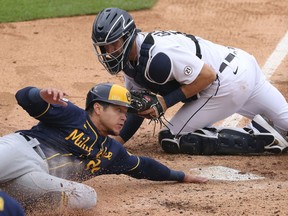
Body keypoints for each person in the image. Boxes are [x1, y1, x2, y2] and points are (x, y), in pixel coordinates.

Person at [91, 7, 288, 155]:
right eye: (104, 48)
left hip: (225, 84)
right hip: (241, 65)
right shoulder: (133, 61)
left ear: (127, 37)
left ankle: (260, 138)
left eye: (113, 45)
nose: (109, 52)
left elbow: (207, 76)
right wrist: (115, 143)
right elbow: (137, 107)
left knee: (172, 137)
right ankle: (268, 131)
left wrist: (166, 102)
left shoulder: (158, 58)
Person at [0, 83, 207, 212]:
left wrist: (180, 176)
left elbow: (143, 166)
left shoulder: (112, 153)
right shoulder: (73, 115)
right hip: (22, 150)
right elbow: (24, 98)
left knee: (86, 197)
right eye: (118, 110)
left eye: (126, 112)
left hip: (35, 176)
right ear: (98, 108)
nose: (124, 117)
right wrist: (39, 93)